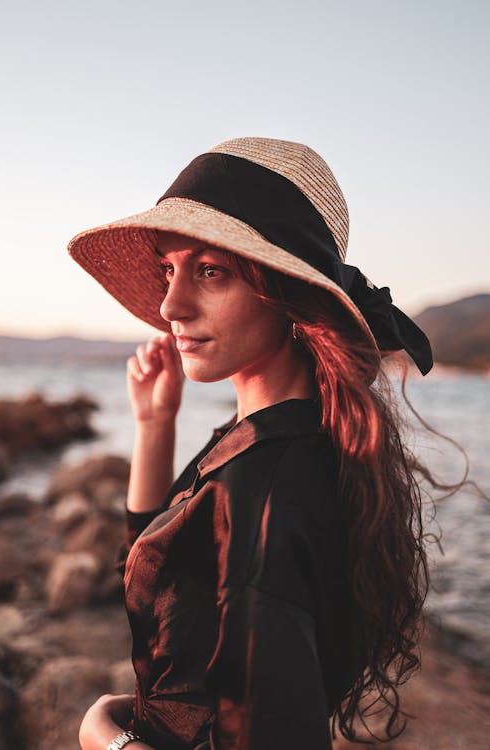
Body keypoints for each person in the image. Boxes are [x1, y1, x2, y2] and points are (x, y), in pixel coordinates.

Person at [68, 137, 437, 750]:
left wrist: (107, 743)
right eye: (169, 268)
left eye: (211, 271)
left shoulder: (265, 491)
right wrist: (155, 425)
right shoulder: (277, 440)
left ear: (285, 293)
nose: (169, 305)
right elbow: (165, 560)